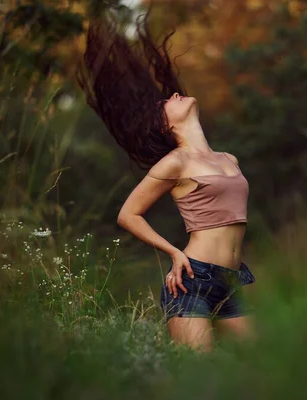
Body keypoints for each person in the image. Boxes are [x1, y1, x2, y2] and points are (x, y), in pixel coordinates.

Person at [78, 11, 255, 352]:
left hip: (230, 282)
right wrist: (174, 252)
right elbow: (128, 214)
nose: (174, 96)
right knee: (199, 380)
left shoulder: (228, 159)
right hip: (193, 282)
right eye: (166, 103)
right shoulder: (175, 163)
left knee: (271, 364)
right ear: (165, 126)